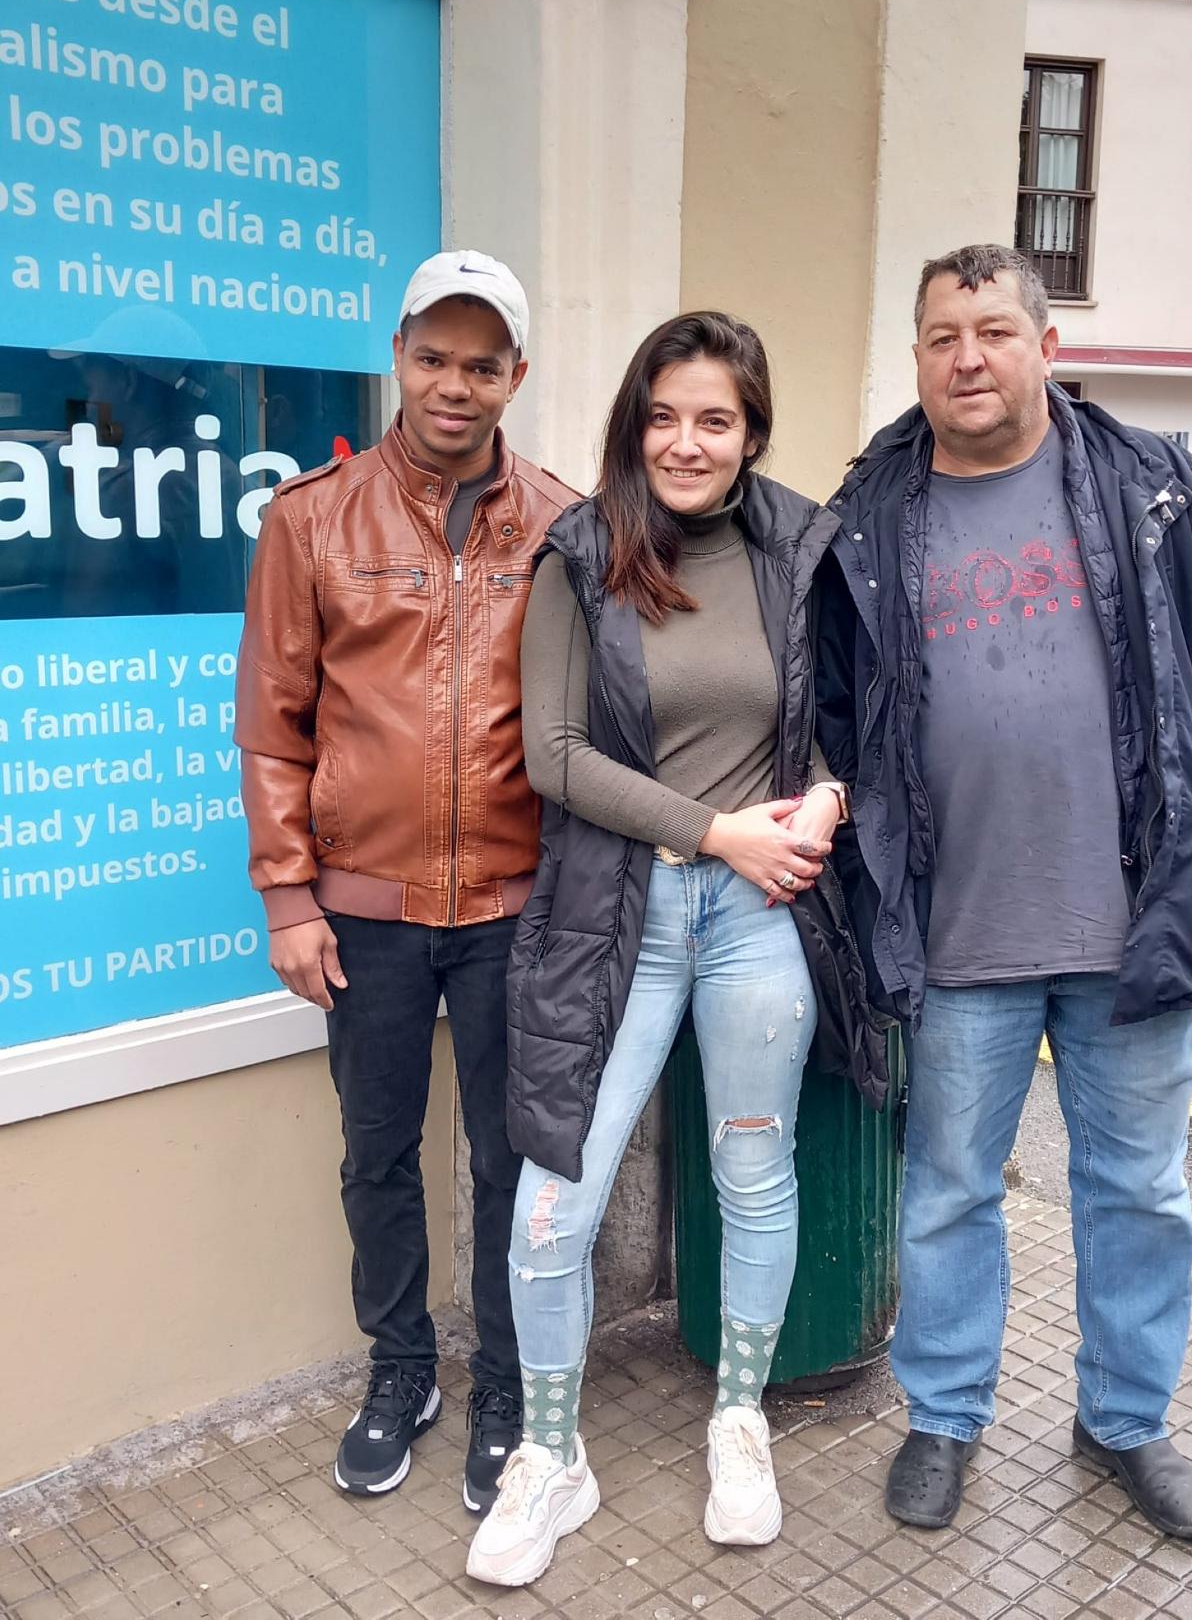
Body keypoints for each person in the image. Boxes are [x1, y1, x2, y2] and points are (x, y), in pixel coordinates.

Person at [816, 243, 1192, 1538]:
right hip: (958, 933)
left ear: (1046, 346)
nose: (968, 357)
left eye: (994, 330)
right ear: (916, 358)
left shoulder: (1155, 490)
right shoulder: (870, 514)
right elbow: (836, 713)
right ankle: (944, 1418)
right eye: (943, 335)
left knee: (1141, 1190)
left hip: (1136, 924)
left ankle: (1126, 1422)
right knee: (952, 1187)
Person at [466, 310, 882, 1589]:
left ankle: (740, 1417)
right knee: (554, 1202)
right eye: (664, 415)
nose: (687, 442)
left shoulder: (801, 549)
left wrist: (820, 800)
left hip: (761, 921)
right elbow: (556, 757)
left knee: (752, 1174)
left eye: (716, 418)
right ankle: (551, 1453)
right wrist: (715, 831)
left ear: (752, 430)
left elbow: (851, 718)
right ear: (631, 423)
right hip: (620, 919)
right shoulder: (581, 555)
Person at [235, 250, 578, 1512]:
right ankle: (402, 1368)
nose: (455, 382)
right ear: (400, 355)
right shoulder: (310, 520)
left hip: (511, 910)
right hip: (363, 912)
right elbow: (275, 726)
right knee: (376, 1149)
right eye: (434, 355)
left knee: (510, 1161)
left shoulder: (561, 519)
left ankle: (501, 1379)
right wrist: (287, 892)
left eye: (482, 362)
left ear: (515, 378)